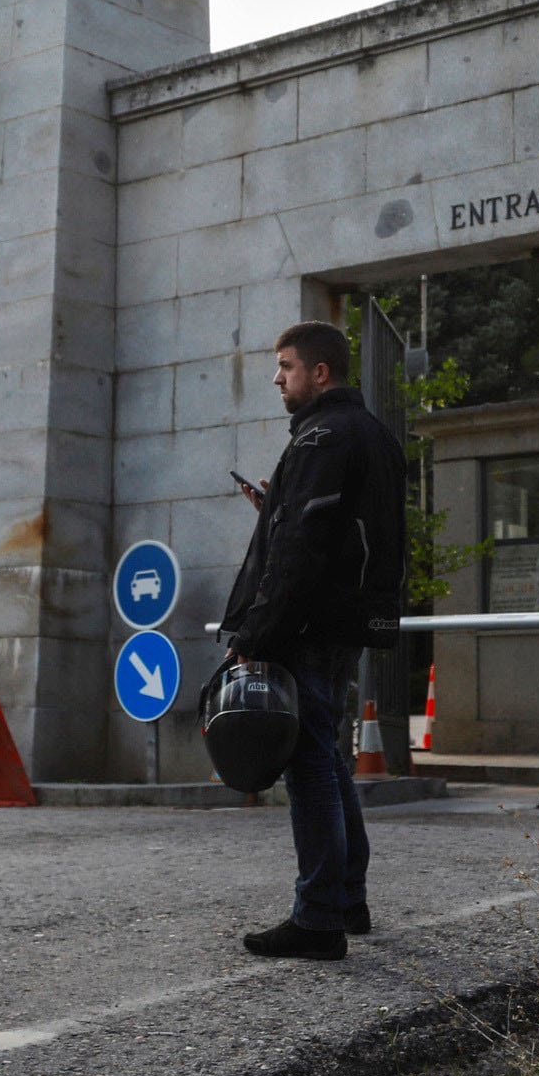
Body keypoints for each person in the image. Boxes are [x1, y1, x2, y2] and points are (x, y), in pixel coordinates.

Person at [221, 320, 407, 961]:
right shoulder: (371, 435)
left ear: (319, 372)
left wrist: (255, 633)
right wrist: (278, 507)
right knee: (328, 760)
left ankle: (320, 917)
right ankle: (346, 901)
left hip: (308, 624)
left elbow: (301, 551)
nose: (277, 378)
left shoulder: (323, 437)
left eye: (286, 366)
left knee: (311, 768)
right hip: (342, 621)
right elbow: (329, 529)